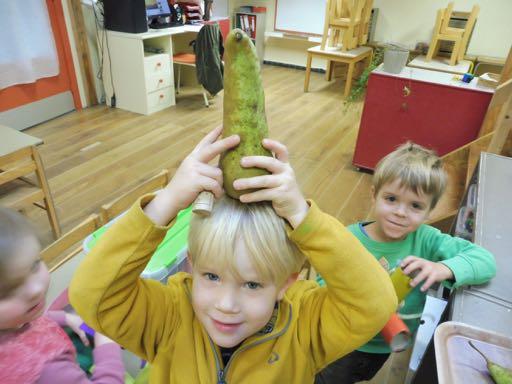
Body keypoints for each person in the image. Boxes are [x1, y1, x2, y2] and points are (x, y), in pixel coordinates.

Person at [69, 126, 397, 383]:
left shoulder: (306, 326)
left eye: (252, 285)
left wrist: (302, 216)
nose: (226, 305)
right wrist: (166, 201)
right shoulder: (168, 317)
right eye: (211, 277)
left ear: (286, 283)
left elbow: (376, 302)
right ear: (191, 266)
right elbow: (92, 295)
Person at [315, 142, 496, 384]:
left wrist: (442, 268)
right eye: (391, 199)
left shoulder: (428, 239)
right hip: (344, 341)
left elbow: (485, 261)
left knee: (362, 375)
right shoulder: (348, 239)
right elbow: (320, 285)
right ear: (374, 196)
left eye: (415, 206)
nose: (400, 212)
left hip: (384, 346)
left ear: (430, 211)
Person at [0, 207, 126, 384]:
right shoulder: (48, 371)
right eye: (7, 291)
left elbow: (29, 322)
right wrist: (107, 347)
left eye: (35, 265)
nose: (36, 289)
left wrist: (64, 317)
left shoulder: (15, 319)